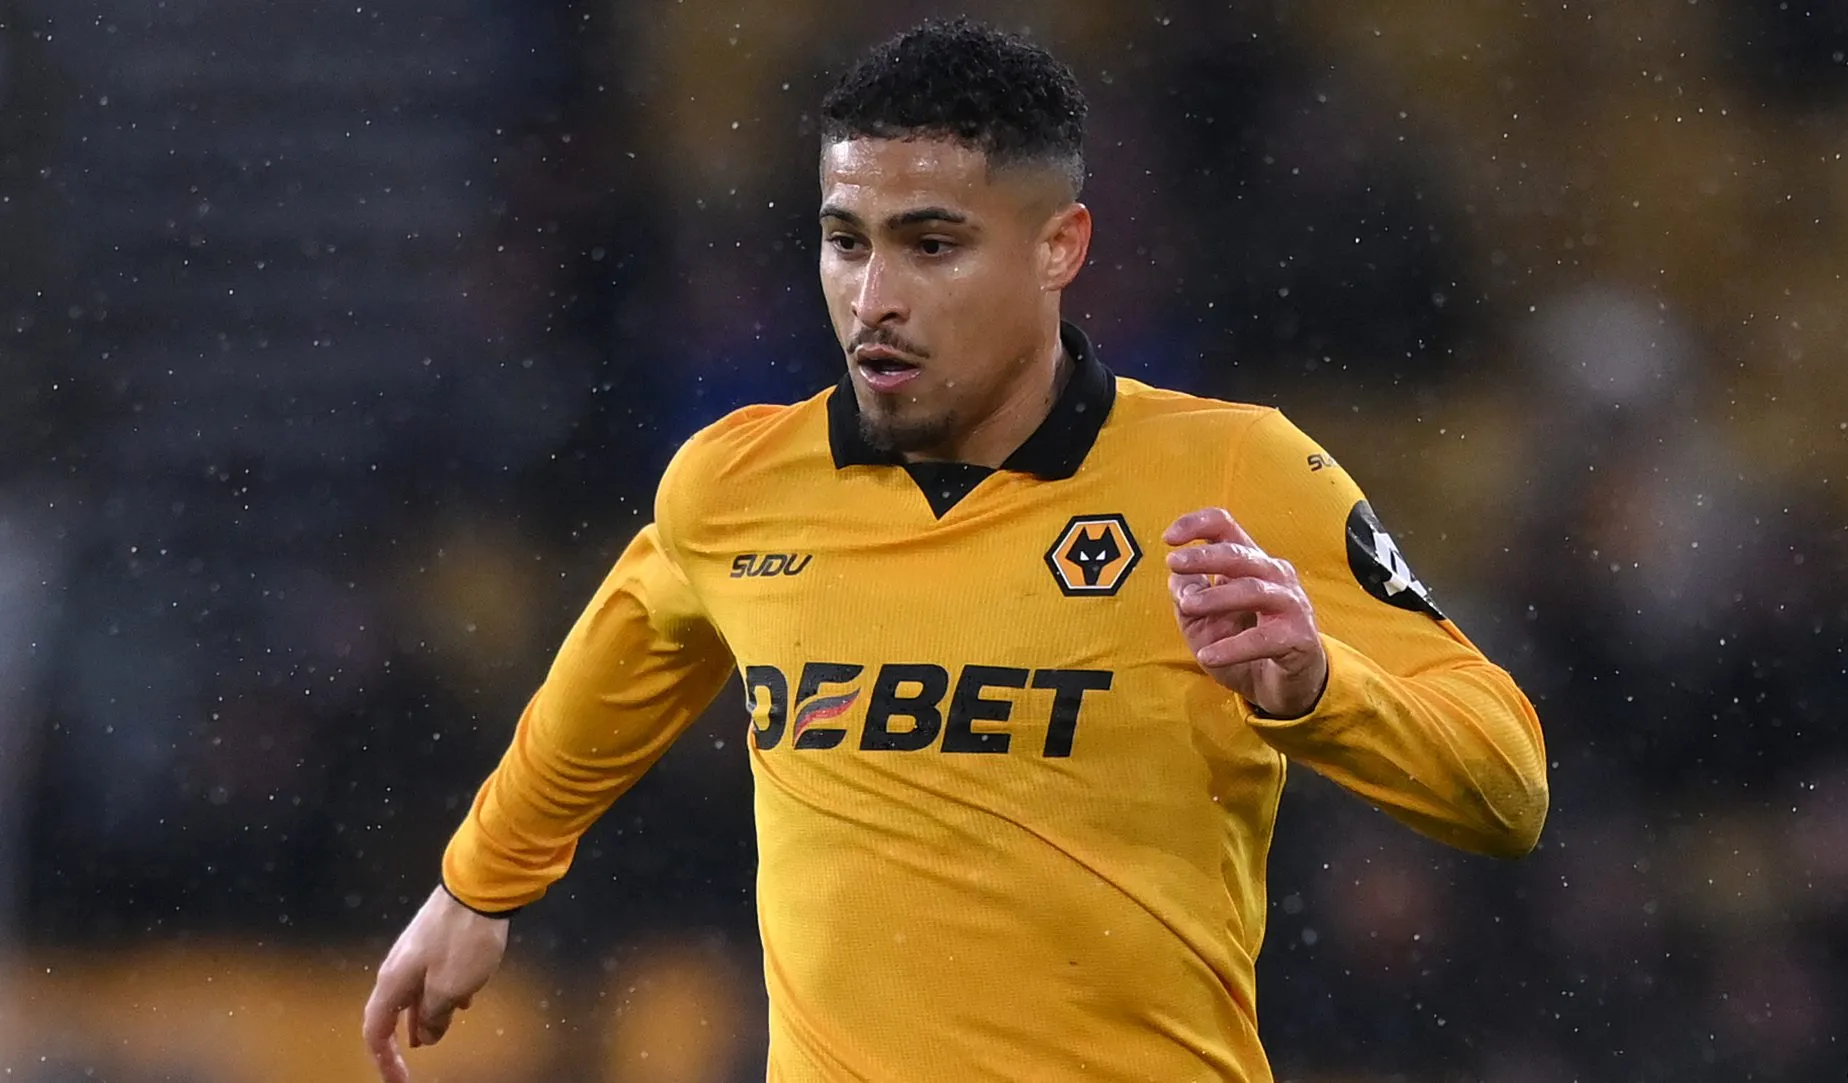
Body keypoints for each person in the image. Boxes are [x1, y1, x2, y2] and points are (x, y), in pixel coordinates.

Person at [362, 18, 1548, 1083]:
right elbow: (620, 665)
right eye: (845, 240)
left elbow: (1508, 786)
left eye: (932, 246)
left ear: (1059, 248)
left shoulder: (1237, 474)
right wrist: (480, 884)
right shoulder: (734, 487)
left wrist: (1319, 691)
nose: (873, 295)